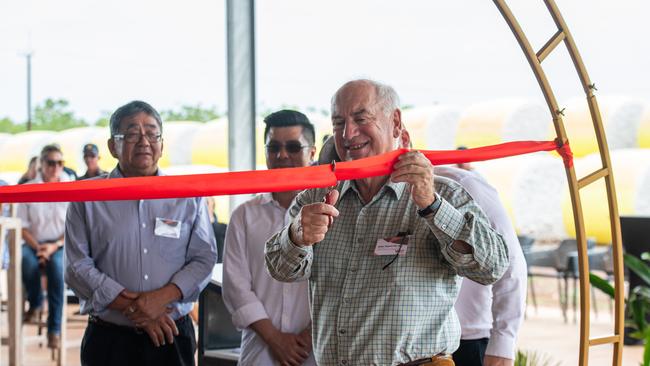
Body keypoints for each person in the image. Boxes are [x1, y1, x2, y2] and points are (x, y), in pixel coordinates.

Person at [265, 79, 509, 366]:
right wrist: (297, 236)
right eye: (338, 122)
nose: (348, 133)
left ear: (395, 123)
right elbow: (280, 270)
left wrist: (432, 206)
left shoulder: (443, 193)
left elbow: (493, 266)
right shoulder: (316, 198)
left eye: (361, 118)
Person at [64, 100, 218, 366]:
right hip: (109, 338)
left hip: (170, 335)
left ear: (162, 143)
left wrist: (160, 299)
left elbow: (204, 258)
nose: (144, 141)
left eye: (152, 133)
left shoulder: (186, 196)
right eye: (132, 134)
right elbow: (76, 266)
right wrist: (136, 308)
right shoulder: (86, 197)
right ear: (113, 146)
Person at [223, 110, 317, 366]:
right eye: (274, 147)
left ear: (313, 152)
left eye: (293, 147)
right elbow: (235, 287)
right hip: (260, 350)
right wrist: (275, 339)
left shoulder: (327, 209)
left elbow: (340, 283)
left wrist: (307, 340)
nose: (282, 155)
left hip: (317, 350)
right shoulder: (244, 215)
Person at [17, 144, 69, 349]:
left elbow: (74, 228)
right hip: (33, 243)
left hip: (60, 244)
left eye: (60, 162)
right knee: (25, 261)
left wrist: (53, 246)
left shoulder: (69, 187)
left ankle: (54, 328)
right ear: (42, 164)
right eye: (51, 162)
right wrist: (39, 247)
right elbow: (21, 226)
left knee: (56, 268)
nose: (56, 167)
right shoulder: (28, 187)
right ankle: (36, 303)